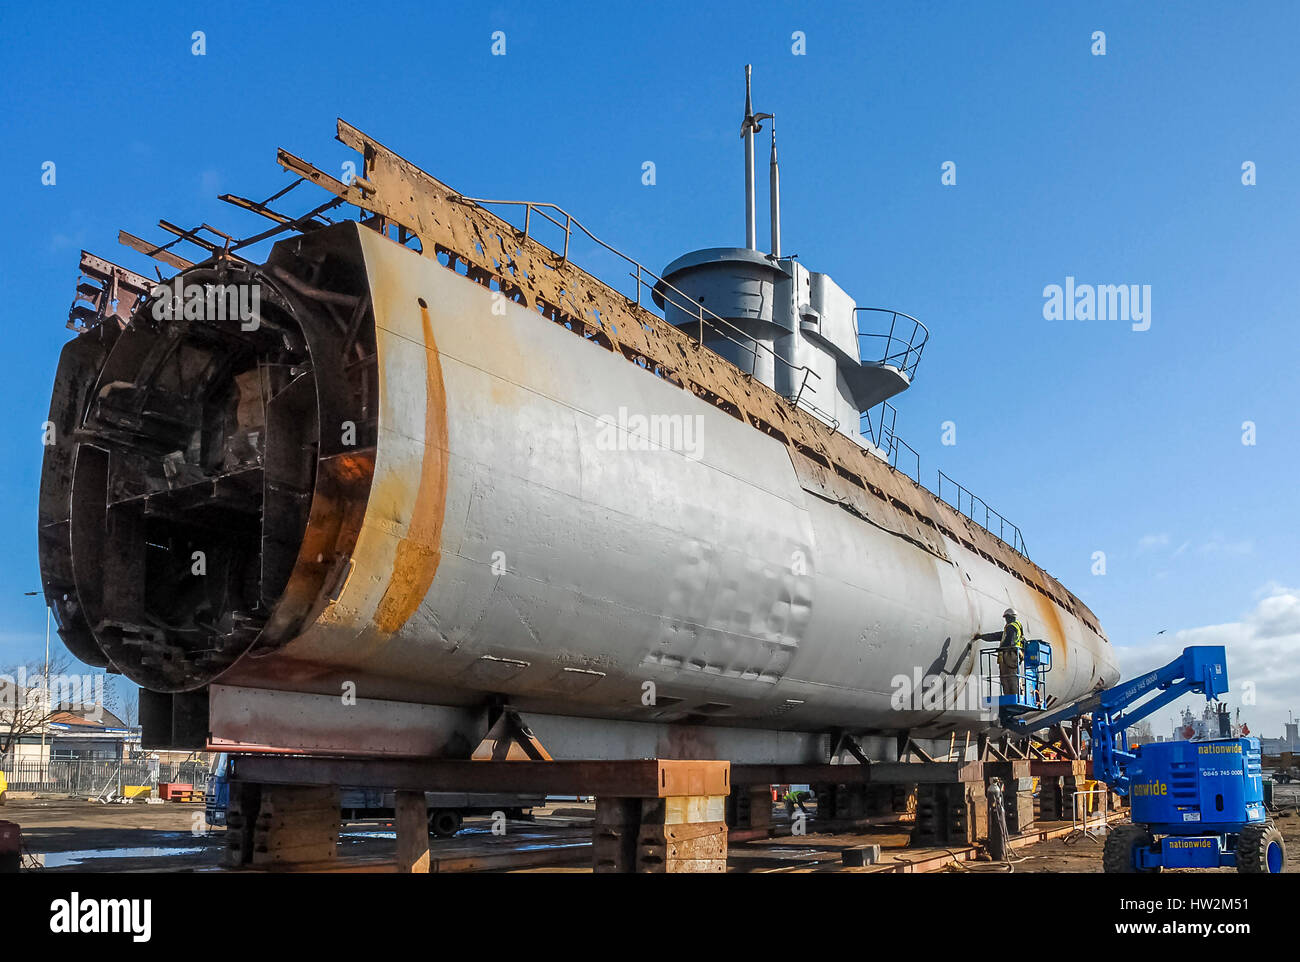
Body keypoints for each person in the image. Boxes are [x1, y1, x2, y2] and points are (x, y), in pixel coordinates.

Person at [974, 608, 1027, 699]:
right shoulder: (1016, 628)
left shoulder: (1011, 627)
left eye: (1006, 618)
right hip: (1013, 655)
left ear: (1010, 617)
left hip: (1009, 655)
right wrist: (982, 637)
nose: (1006, 620)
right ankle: (1014, 696)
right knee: (1010, 676)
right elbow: (995, 636)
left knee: (1009, 677)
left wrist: (1000, 649)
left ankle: (1014, 697)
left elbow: (1009, 640)